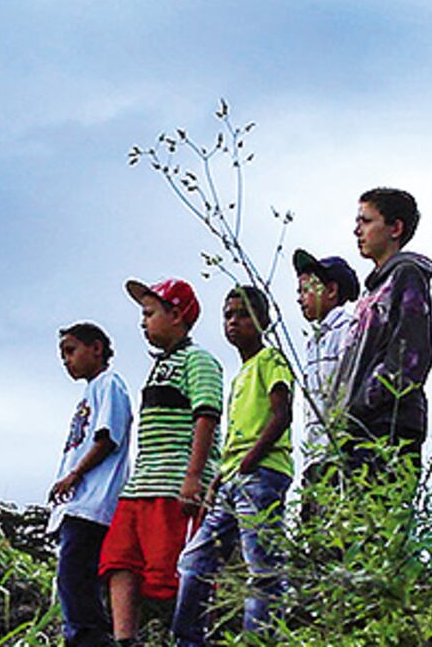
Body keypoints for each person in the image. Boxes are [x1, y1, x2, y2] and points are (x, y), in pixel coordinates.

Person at [99, 279, 224, 646]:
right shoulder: (161, 365)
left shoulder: (198, 360)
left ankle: (200, 637)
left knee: (182, 570)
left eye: (150, 313)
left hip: (174, 482)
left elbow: (206, 414)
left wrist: (194, 478)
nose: (144, 322)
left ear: (177, 314)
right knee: (119, 560)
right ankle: (125, 640)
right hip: (142, 483)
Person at [172, 286, 294, 646]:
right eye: (227, 315)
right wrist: (219, 479)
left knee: (263, 568)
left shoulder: (271, 359)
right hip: (233, 478)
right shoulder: (240, 373)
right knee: (194, 560)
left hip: (261, 474)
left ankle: (260, 639)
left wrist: (249, 462)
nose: (233, 322)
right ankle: (188, 639)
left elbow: (281, 413)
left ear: (263, 320)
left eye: (242, 314)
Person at [48, 322, 134, 647]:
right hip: (78, 504)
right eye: (63, 355)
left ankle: (90, 641)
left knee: (74, 580)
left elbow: (106, 437)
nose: (66, 360)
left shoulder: (109, 384)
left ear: (96, 348)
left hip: (91, 503)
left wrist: (74, 475)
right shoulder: (90, 391)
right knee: (71, 580)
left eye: (71, 350)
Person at [337, 187, 432, 470]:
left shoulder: (406, 275)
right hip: (357, 432)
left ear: (395, 228)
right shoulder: (371, 292)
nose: (357, 231)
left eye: (366, 221)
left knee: (381, 510)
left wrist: (364, 402)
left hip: (388, 428)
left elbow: (412, 355)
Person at [292, 248, 359, 486]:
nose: (300, 298)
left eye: (306, 290)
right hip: (315, 454)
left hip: (337, 450)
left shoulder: (347, 329)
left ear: (331, 290)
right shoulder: (313, 341)